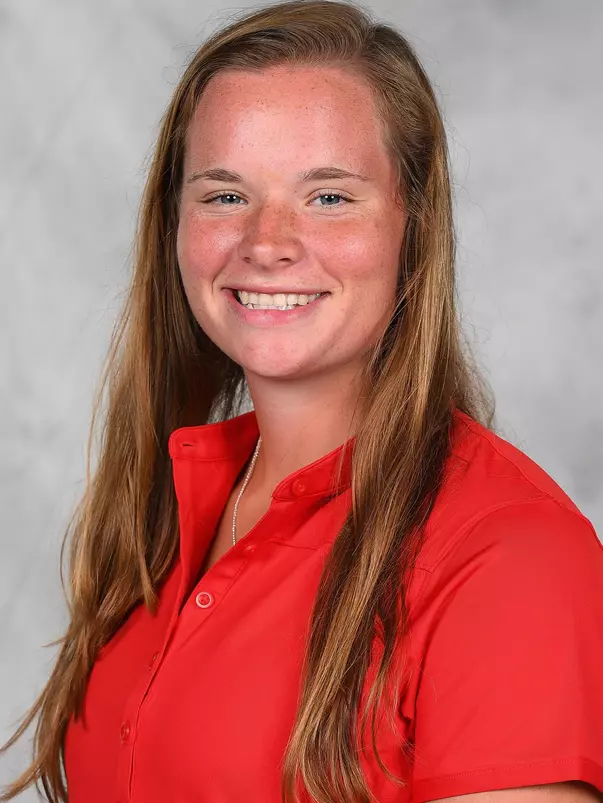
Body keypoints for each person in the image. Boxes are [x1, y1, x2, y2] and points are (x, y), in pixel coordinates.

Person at [2, 1, 603, 801]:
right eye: (223, 195)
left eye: (328, 196)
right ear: (171, 224)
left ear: (412, 225)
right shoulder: (167, 508)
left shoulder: (508, 555)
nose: (267, 241)